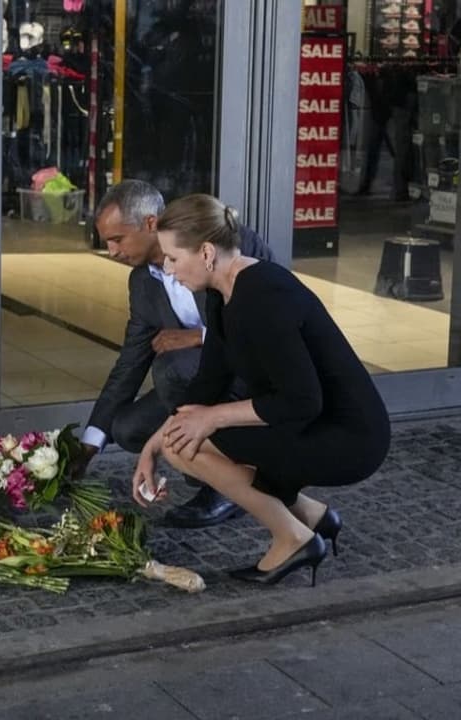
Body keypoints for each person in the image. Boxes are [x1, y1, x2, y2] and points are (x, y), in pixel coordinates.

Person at [132, 194, 390, 585]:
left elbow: (302, 399)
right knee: (175, 440)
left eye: (172, 258)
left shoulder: (262, 295)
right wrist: (152, 444)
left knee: (183, 444)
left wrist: (211, 418)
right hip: (308, 422)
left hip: (349, 436)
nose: (168, 270)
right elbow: (208, 383)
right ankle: (311, 517)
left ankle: (293, 539)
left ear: (204, 252)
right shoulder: (224, 293)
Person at [72, 179, 273, 528]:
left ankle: (225, 486)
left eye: (118, 239)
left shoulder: (223, 239)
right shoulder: (142, 282)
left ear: (151, 224)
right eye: (107, 242)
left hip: (254, 377)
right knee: (127, 428)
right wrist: (88, 446)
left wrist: (201, 336)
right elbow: (129, 365)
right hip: (206, 381)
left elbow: (275, 315)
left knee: (173, 368)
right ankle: (212, 460)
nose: (113, 251)